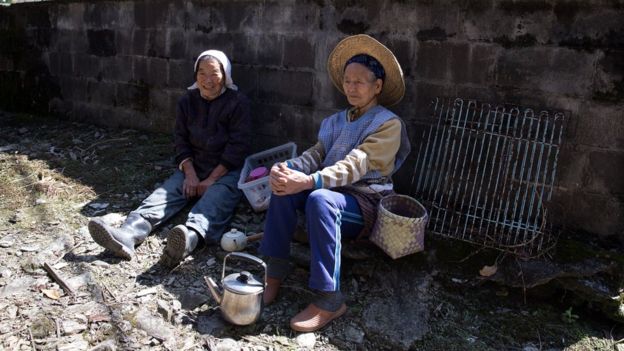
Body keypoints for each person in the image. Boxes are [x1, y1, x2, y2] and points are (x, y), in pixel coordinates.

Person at [259, 34, 411, 332]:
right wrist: (287, 169)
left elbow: (357, 165)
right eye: (347, 80)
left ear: (377, 86)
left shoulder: (388, 124)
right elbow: (315, 155)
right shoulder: (333, 122)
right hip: (329, 191)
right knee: (284, 189)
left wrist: (311, 181)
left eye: (360, 82)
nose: (351, 87)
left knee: (319, 199)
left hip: (364, 202)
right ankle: (273, 272)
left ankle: (329, 298)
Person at [88, 50, 251, 267]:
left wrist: (212, 179)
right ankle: (128, 235)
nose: (208, 80)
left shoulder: (237, 102)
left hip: (226, 170)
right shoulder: (187, 101)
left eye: (214, 73)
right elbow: (180, 140)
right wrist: (190, 174)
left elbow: (238, 146)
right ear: (195, 75)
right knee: (163, 196)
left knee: (215, 200)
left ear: (225, 75)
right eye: (202, 73)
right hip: (194, 165)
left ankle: (187, 239)